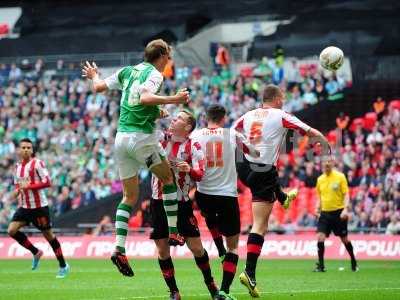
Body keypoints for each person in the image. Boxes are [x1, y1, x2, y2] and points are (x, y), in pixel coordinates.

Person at [82, 39, 189, 277]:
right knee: (169, 178)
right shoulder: (155, 74)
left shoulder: (127, 71)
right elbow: (144, 99)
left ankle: (119, 248)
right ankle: (173, 231)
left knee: (129, 196)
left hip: (121, 140)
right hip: (142, 138)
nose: (168, 62)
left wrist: (94, 75)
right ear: (161, 56)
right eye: (168, 57)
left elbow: (98, 87)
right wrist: (175, 99)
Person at [234, 84, 329, 297]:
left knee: (271, 170)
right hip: (263, 171)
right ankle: (249, 273)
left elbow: (233, 131)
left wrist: (246, 148)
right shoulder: (280, 115)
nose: (284, 100)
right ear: (276, 98)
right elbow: (308, 130)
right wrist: (323, 141)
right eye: (283, 97)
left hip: (243, 167)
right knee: (260, 225)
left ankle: (283, 196)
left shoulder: (248, 115)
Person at [191, 104, 259, 300]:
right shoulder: (231, 134)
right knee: (234, 248)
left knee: (211, 219)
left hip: (203, 194)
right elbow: (254, 153)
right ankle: (224, 291)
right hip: (227, 195)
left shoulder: (195, 135)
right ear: (223, 118)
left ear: (205, 117)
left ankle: (219, 249)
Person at [151, 110, 219, 300]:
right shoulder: (160, 139)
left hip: (182, 204)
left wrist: (190, 169)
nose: (173, 119)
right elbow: (142, 130)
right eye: (174, 117)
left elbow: (201, 173)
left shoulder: (193, 146)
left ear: (188, 127)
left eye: (179, 118)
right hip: (158, 202)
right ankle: (174, 292)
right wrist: (154, 114)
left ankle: (212, 286)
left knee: (197, 248)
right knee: (163, 250)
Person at [7, 138, 69, 278]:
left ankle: (63, 265)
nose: (26, 150)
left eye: (29, 147)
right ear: (19, 150)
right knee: (11, 230)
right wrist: (16, 192)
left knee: (49, 236)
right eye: (23, 147)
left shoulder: (37, 163)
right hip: (24, 207)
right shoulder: (17, 167)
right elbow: (18, 185)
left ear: (32, 150)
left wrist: (29, 186)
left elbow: (47, 182)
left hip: (39, 207)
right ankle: (36, 252)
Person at [314, 156, 358, 272]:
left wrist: (346, 209)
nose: (327, 164)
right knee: (320, 237)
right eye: (324, 162)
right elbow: (320, 196)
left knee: (344, 239)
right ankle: (321, 266)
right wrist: (317, 208)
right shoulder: (320, 179)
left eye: (329, 162)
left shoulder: (340, 177)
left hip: (339, 213)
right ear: (322, 165)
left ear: (333, 164)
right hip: (324, 213)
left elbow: (346, 194)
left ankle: (353, 260)